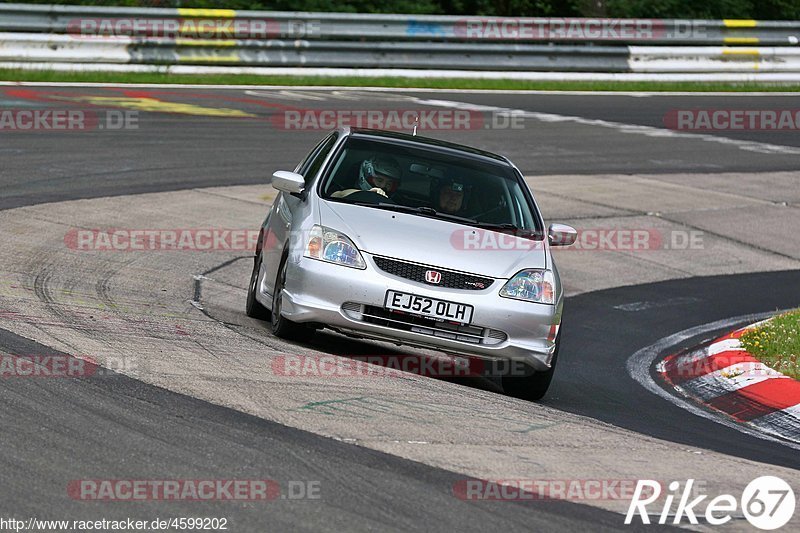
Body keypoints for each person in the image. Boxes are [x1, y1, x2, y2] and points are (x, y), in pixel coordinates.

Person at [331, 155, 402, 199]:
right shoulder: (344, 188)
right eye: (379, 180)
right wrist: (367, 194)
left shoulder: (396, 201)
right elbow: (336, 195)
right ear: (366, 176)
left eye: (389, 184)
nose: (383, 186)